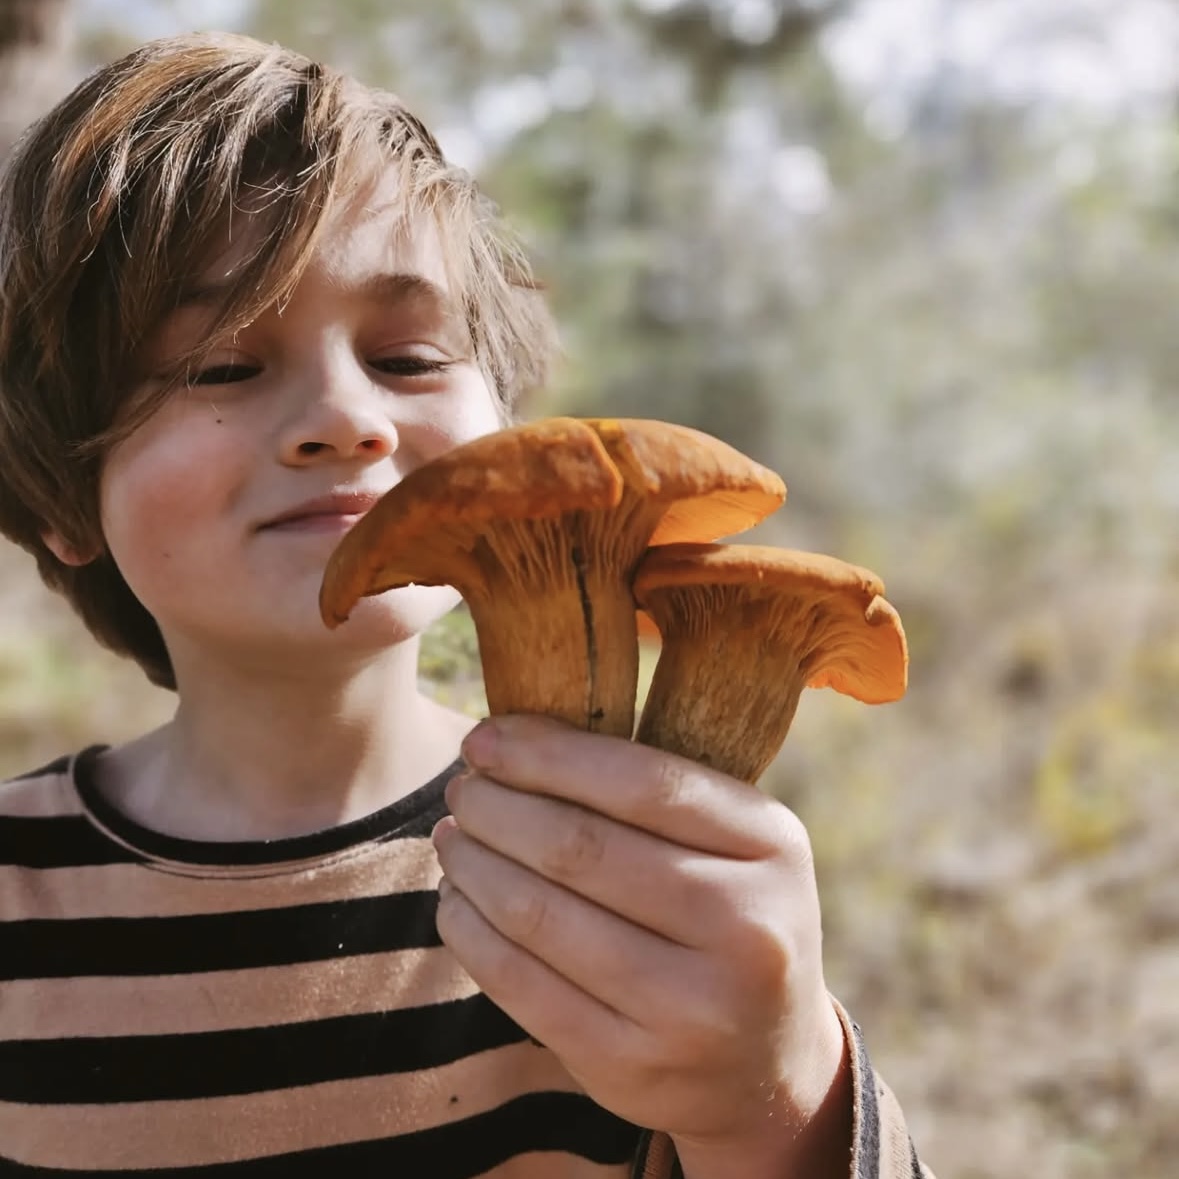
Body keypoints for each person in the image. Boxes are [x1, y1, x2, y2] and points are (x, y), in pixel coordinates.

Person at [0, 31, 931, 1179]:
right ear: (61, 498)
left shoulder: (650, 882)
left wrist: (771, 1092)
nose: (348, 419)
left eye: (408, 358)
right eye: (221, 368)